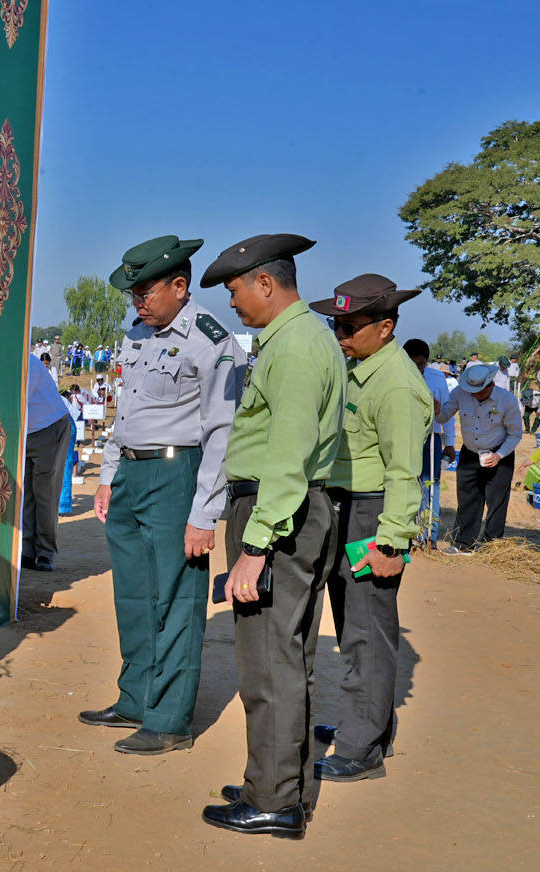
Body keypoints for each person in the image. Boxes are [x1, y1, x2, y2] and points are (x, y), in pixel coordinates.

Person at [197, 233, 344, 839]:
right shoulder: (298, 339)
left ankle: (273, 800)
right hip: (287, 511)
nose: (231, 303)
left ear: (265, 283)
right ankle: (284, 783)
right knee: (288, 660)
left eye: (234, 290)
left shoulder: (297, 347)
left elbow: (287, 455)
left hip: (277, 514)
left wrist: (255, 547)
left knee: (268, 665)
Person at [79, 235, 244, 756]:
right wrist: (107, 476)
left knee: (176, 597)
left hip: (177, 475)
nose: (138, 302)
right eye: (133, 294)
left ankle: (170, 719)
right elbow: (126, 412)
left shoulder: (212, 341)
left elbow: (222, 433)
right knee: (133, 592)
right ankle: (135, 698)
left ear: (180, 286)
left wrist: (205, 514)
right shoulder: (137, 333)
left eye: (145, 292)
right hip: (130, 473)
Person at [310, 274, 431, 784]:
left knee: (367, 634)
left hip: (372, 514)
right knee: (353, 627)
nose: (340, 335)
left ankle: (361, 748)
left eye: (350, 327)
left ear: (385, 327)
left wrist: (391, 542)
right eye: (335, 326)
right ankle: (369, 725)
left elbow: (404, 471)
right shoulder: (361, 369)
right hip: (349, 506)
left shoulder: (397, 385)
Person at [437, 363, 523, 554]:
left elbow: (515, 433)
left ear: (490, 384)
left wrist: (499, 455)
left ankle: (491, 546)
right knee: (467, 498)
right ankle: (463, 544)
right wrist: (436, 410)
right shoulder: (460, 393)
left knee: (497, 501)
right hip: (470, 453)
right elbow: (443, 416)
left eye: (478, 391)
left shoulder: (507, 400)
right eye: (471, 391)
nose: (474, 395)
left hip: (499, 453)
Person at [21, 353, 73, 572]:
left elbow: (18, 400)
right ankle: (26, 550)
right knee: (25, 492)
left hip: (49, 428)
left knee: (44, 493)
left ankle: (44, 552)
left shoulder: (28, 362)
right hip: (25, 433)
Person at [403, 339, 455, 545]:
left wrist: (449, 442)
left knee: (431, 484)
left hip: (431, 438)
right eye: (413, 363)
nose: (418, 368)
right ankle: (406, 531)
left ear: (427, 361)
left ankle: (428, 535)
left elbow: (447, 412)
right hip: (405, 438)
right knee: (406, 483)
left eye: (421, 363)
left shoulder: (437, 378)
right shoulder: (398, 376)